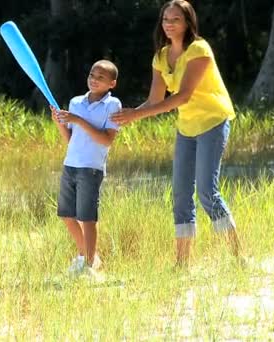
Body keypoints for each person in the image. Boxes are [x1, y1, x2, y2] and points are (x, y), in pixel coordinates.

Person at [111, 0, 242, 267]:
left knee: (207, 191)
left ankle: (238, 257)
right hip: (187, 127)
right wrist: (130, 115)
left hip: (213, 121)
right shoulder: (160, 56)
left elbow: (183, 96)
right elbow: (155, 99)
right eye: (165, 20)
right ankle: (182, 263)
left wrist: (138, 114)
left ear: (187, 23)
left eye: (176, 20)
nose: (169, 25)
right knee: (181, 193)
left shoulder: (199, 49)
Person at [51, 60, 121, 278]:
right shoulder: (76, 102)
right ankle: (87, 256)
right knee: (66, 214)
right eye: (92, 74)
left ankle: (89, 264)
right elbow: (70, 139)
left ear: (112, 84)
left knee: (87, 218)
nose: (94, 79)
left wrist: (78, 120)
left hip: (91, 168)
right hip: (71, 164)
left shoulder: (112, 105)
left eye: (101, 77)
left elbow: (106, 139)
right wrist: (59, 122)